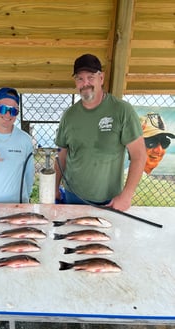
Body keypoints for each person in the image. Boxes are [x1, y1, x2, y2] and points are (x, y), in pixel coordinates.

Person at [54, 54, 147, 211]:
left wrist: (126, 195)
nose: (85, 83)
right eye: (80, 79)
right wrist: (55, 187)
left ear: (101, 78)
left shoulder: (122, 111)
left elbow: (139, 155)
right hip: (72, 196)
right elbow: (62, 154)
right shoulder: (69, 115)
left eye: (91, 77)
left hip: (108, 200)